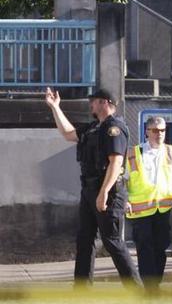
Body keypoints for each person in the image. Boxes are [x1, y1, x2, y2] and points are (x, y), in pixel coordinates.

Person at [45, 87, 141, 286]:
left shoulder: (114, 128)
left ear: (105, 103)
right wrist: (55, 107)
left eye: (94, 101)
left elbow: (115, 163)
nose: (91, 104)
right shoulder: (93, 128)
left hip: (108, 192)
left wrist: (104, 192)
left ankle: (136, 291)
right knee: (85, 240)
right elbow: (69, 134)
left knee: (112, 241)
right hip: (89, 190)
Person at [125, 116, 172, 289]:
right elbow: (121, 179)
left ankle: (155, 282)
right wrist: (124, 199)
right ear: (147, 132)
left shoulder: (170, 151)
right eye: (155, 130)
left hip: (163, 209)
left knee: (161, 247)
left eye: (162, 130)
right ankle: (150, 286)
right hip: (140, 210)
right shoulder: (133, 153)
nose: (159, 134)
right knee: (145, 247)